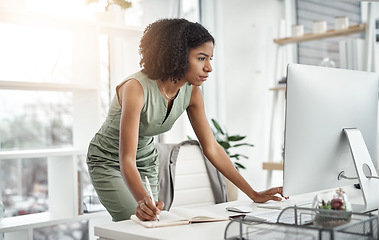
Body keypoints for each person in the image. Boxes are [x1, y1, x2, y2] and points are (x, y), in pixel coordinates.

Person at [86, 18, 284, 222]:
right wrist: (143, 202)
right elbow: (126, 159)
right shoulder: (136, 88)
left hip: (145, 162)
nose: (209, 68)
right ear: (177, 55)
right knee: (134, 222)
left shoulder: (192, 93)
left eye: (210, 59)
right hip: (108, 161)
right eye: (201, 58)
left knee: (151, 224)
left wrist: (253, 194)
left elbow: (211, 147)